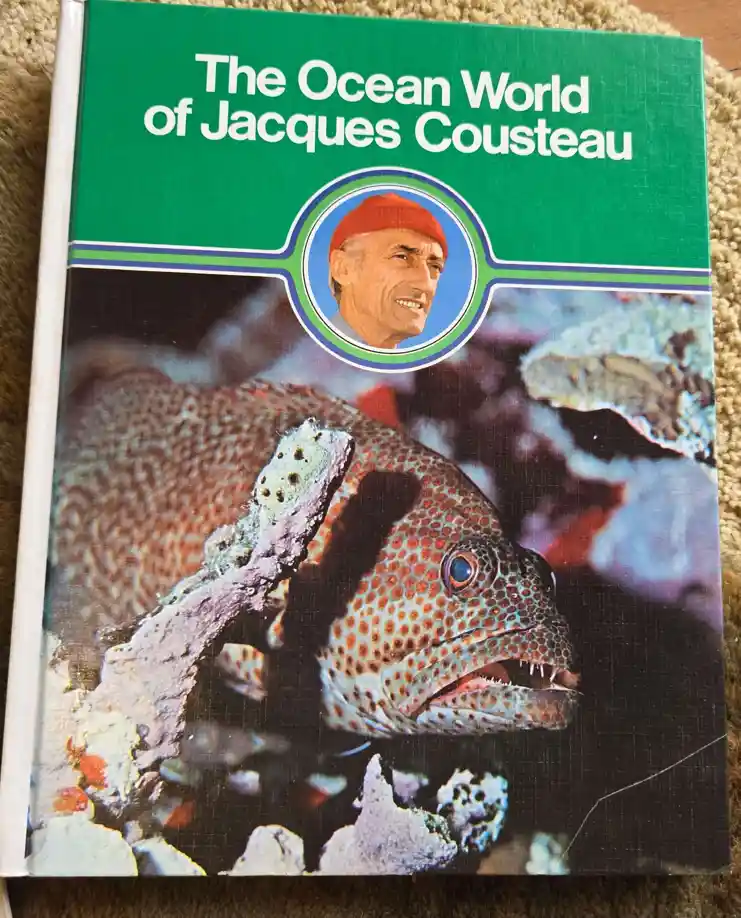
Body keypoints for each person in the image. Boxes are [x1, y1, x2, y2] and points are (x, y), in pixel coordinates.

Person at [326, 193, 447, 350]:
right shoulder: (304, 359)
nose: (426, 285)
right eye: (402, 257)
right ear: (343, 268)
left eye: (435, 266)